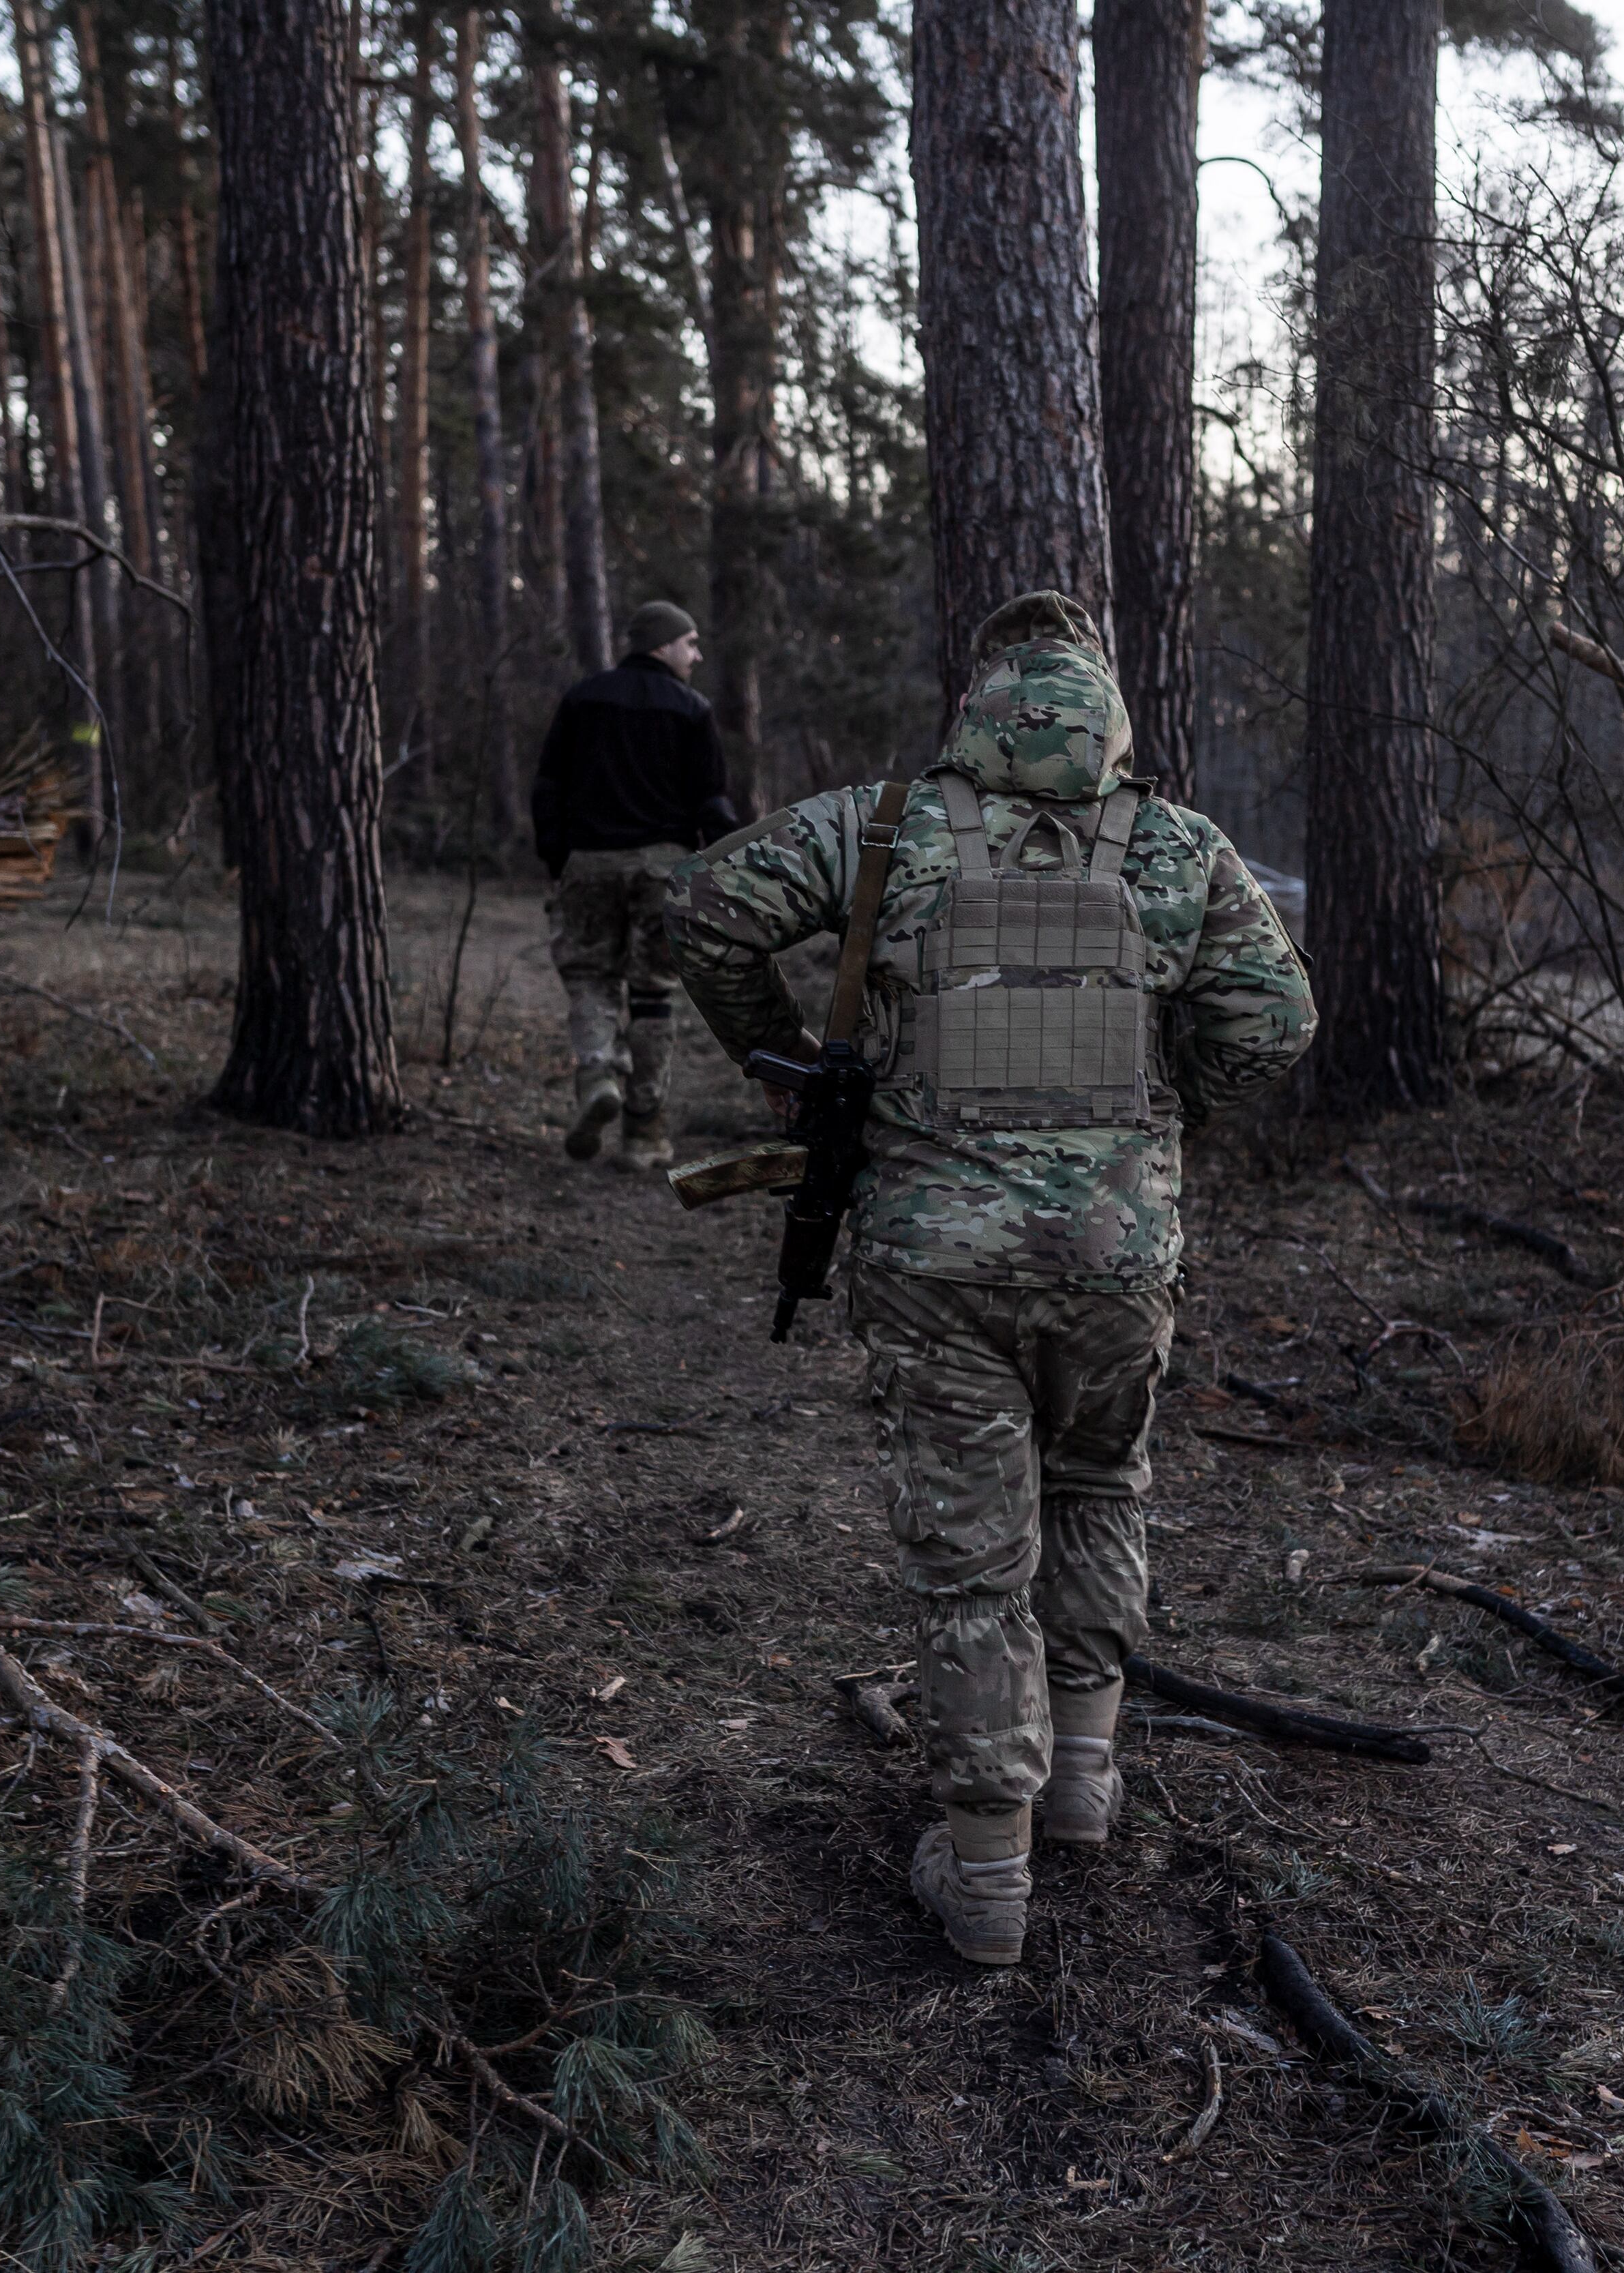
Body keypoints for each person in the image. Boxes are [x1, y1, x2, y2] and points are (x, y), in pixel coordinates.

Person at [666, 592, 1315, 1965]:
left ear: (978, 712)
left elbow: (707, 910)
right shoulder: (1177, 844)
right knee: (1098, 1485)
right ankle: (1080, 1778)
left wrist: (775, 1057)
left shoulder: (878, 826)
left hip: (933, 1254)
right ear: (1106, 724)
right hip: (1113, 1254)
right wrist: (1156, 1107)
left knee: (972, 1568)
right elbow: (1278, 1016)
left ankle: (985, 1881)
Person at [531, 600, 738, 1168]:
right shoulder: (692, 707)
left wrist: (558, 857)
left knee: (591, 978)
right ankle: (644, 1134)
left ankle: (598, 1073)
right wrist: (723, 865)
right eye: (690, 643)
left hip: (589, 862)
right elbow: (712, 800)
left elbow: (548, 783)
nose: (696, 655)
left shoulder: (583, 697)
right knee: (653, 995)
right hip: (663, 868)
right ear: (661, 644)